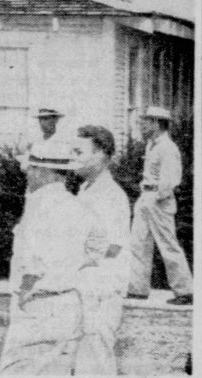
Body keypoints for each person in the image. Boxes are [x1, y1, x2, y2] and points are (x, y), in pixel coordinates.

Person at [0, 143, 105, 375]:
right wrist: (70, 265)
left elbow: (32, 261)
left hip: (38, 303)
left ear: (44, 171)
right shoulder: (81, 207)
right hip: (70, 306)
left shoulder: (37, 206)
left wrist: (25, 292)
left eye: (31, 168)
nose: (27, 174)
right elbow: (98, 248)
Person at [71, 125, 130, 375]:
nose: (72, 158)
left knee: (95, 360)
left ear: (101, 154)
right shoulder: (85, 189)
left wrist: (76, 263)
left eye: (79, 151)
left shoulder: (112, 196)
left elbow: (112, 248)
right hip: (84, 286)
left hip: (101, 289)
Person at [127, 106, 193, 305]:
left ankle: (185, 291)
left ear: (156, 123)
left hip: (158, 199)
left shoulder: (167, 147)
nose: (142, 125)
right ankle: (137, 288)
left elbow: (171, 178)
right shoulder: (151, 145)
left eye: (146, 122)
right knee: (138, 243)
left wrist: (157, 195)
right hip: (146, 196)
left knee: (167, 244)